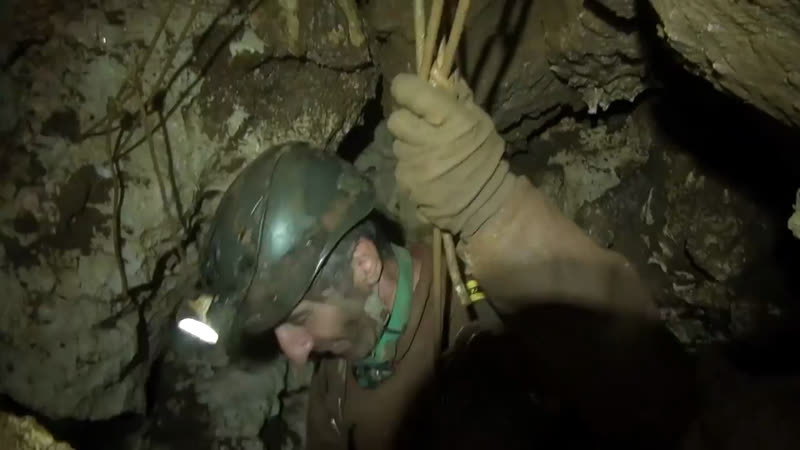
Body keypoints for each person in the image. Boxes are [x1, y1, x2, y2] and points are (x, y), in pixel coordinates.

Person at [177, 73, 697, 450]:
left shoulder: (480, 305)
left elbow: (653, 392)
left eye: (299, 319)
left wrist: (491, 207)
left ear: (363, 264)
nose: (295, 354)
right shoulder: (336, 386)